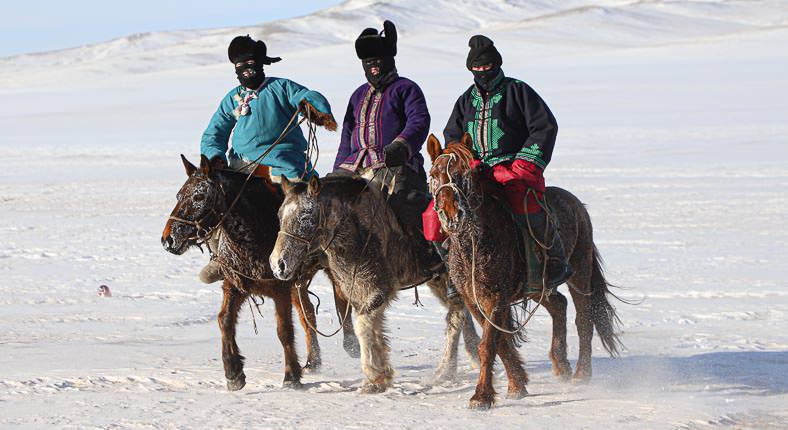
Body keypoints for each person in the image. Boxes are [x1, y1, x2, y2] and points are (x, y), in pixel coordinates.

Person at [426, 35, 572, 290]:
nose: (482, 72)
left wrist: (524, 163)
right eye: (477, 68)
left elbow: (544, 127)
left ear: (497, 65)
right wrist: (462, 161)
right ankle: (453, 269)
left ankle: (554, 260)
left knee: (524, 204)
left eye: (487, 67)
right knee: (435, 213)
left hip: (513, 167)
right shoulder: (465, 99)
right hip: (475, 171)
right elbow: (452, 135)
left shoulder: (518, 91)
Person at [198, 35, 337, 284]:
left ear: (260, 65)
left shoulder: (280, 87)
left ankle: (319, 249)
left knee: (303, 200)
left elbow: (305, 95)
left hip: (282, 161)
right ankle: (221, 255)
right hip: (241, 164)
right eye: (241, 68)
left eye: (251, 65)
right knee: (215, 197)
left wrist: (313, 107)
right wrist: (215, 156)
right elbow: (214, 132)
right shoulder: (233, 98)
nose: (247, 72)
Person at [332, 20, 441, 280]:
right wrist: (338, 169)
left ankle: (433, 260)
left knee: (407, 206)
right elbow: (348, 133)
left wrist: (402, 145)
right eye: (368, 61)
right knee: (327, 203)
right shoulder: (357, 95)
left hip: (397, 165)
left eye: (378, 59)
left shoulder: (406, 88)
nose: (374, 65)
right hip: (356, 166)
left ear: (389, 58)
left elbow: (419, 120)